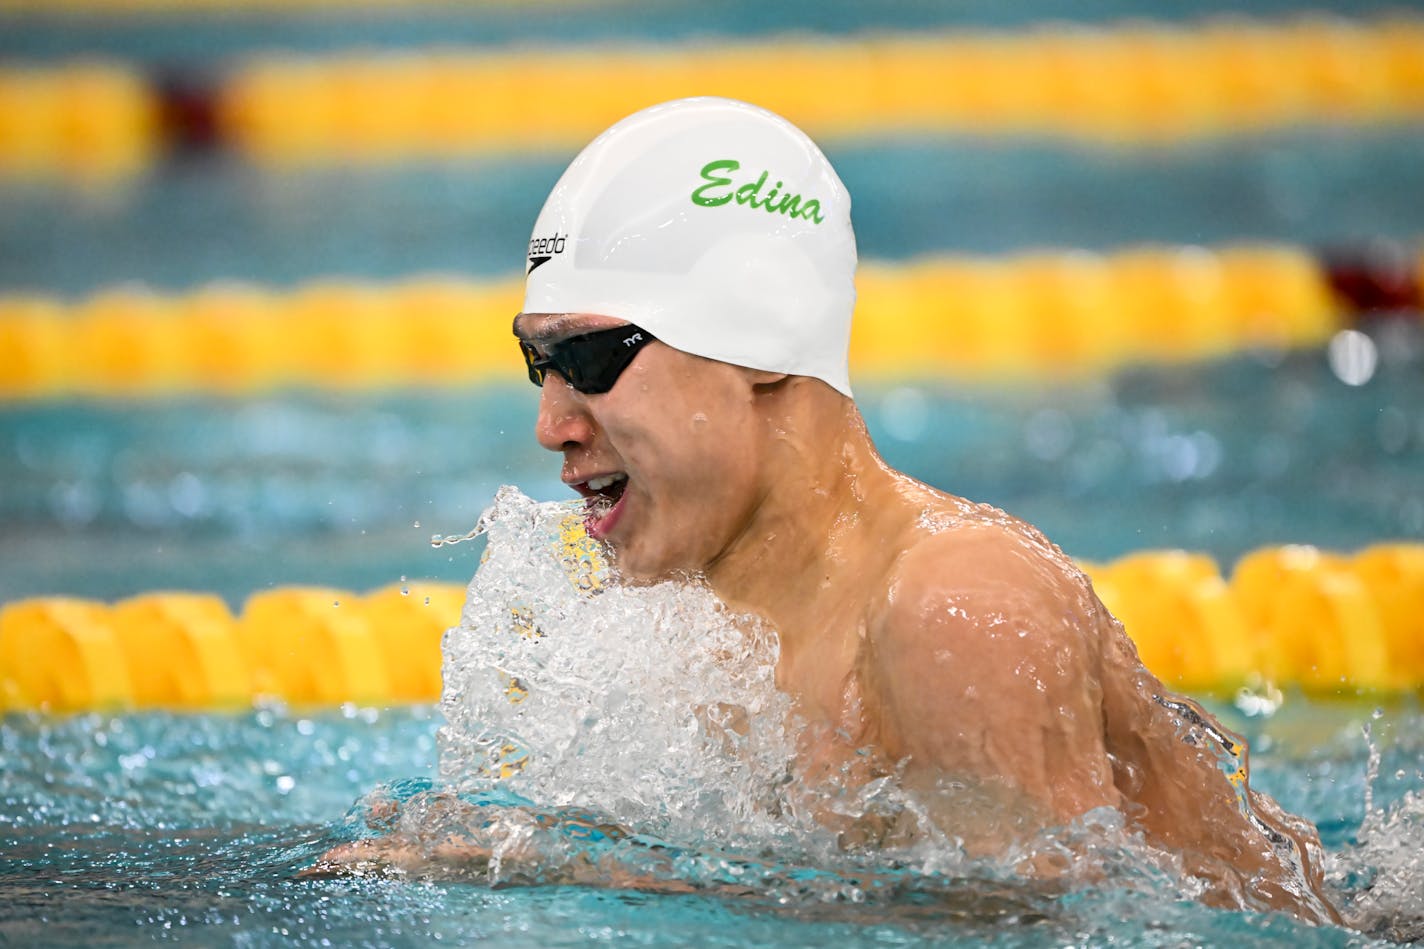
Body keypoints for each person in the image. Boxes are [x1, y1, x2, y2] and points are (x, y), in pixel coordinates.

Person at [318, 97, 1340, 924]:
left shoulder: (949, 605)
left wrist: (593, 874)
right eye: (538, 365)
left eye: (589, 360)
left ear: (758, 343)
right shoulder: (697, 618)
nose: (550, 425)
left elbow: (1058, 924)